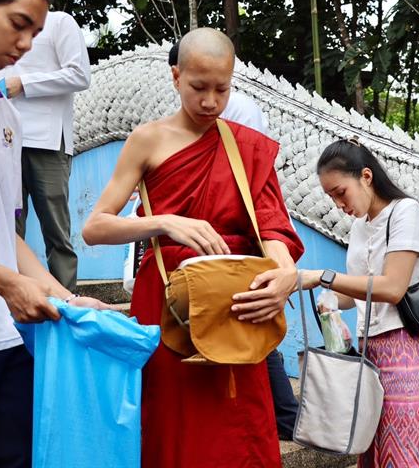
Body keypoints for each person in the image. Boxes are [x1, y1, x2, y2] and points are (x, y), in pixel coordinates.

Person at [82, 27, 303, 467]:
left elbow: (273, 227)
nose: (210, 102)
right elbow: (94, 227)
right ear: (175, 76)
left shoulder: (243, 148)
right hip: (168, 304)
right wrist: (164, 222)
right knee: (174, 427)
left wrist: (286, 275)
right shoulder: (148, 139)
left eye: (221, 89)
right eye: (198, 87)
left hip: (235, 305)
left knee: (241, 431)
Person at [0, 0, 107, 467]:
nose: (25, 44)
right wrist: (10, 284)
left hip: (3, 337)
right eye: (19, 24)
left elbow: (4, 231)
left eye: (36, 34)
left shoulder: (6, 116)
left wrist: (63, 294)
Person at [300, 139, 419, 467]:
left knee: (405, 459)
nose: (338, 204)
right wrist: (325, 298)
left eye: (340, 192)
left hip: (407, 355)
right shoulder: (361, 226)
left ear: (366, 176)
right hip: (367, 356)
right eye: (330, 197)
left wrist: (322, 276)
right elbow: (357, 293)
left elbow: (392, 288)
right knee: (372, 458)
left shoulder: (406, 211)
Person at [0, 9, 91, 291]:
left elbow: (80, 75)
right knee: (7, 230)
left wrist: (22, 83)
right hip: (2, 140)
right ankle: (9, 302)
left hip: (47, 140)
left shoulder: (59, 21)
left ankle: (66, 304)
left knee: (56, 231)